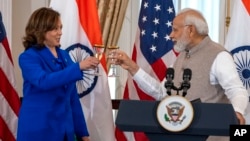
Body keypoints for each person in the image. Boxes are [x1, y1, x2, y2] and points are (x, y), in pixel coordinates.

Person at [109, 8, 249, 141]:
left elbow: (236, 90)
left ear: (190, 30)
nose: (171, 35)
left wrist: (236, 113)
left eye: (175, 30)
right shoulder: (181, 56)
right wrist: (133, 68)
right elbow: (161, 92)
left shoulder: (219, 55)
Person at [17, 7, 98, 141]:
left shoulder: (65, 56)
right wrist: (78, 67)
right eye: (55, 29)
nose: (60, 32)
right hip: (39, 130)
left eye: (61, 28)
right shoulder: (28, 57)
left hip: (65, 130)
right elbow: (44, 81)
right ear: (41, 30)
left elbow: (72, 97)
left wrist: (83, 133)